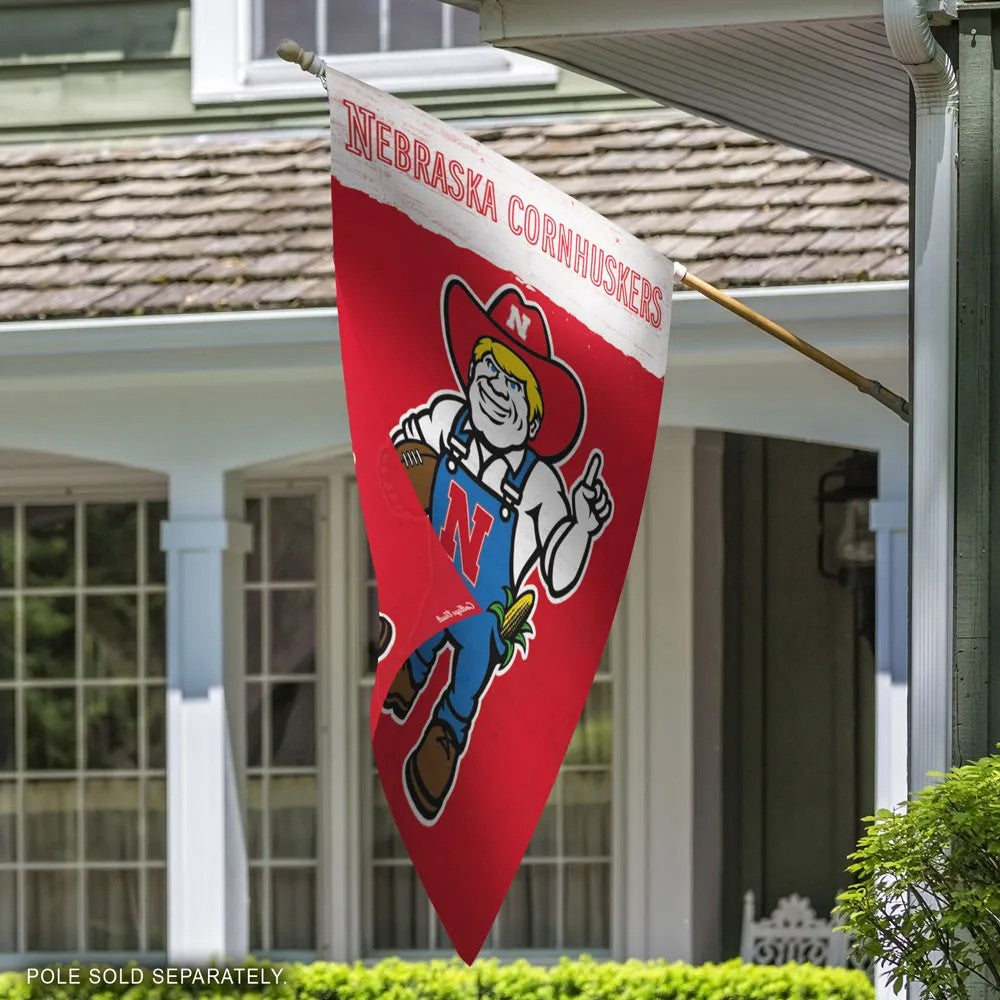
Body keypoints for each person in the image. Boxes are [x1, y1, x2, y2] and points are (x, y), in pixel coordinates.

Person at [385, 276, 612, 823]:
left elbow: (558, 575)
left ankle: (445, 737)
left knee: (475, 657)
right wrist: (415, 477)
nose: (494, 386)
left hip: (485, 611)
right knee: (421, 630)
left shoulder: (539, 486)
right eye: (488, 369)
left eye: (513, 385)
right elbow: (399, 446)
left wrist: (580, 526)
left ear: (533, 417)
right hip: (432, 582)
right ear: (469, 373)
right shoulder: (447, 419)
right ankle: (408, 670)